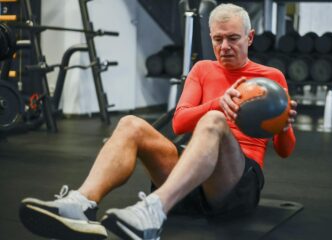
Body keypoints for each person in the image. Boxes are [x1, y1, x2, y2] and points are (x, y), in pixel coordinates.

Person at [19, 3, 297, 240]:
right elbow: (179, 123)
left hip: (236, 186)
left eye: (233, 38)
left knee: (213, 121)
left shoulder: (270, 77)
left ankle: (153, 212)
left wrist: (283, 125)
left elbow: (285, 151)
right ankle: (82, 203)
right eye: (217, 39)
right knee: (130, 123)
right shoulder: (202, 69)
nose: (224, 47)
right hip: (191, 180)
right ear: (211, 37)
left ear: (249, 37)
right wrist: (218, 102)